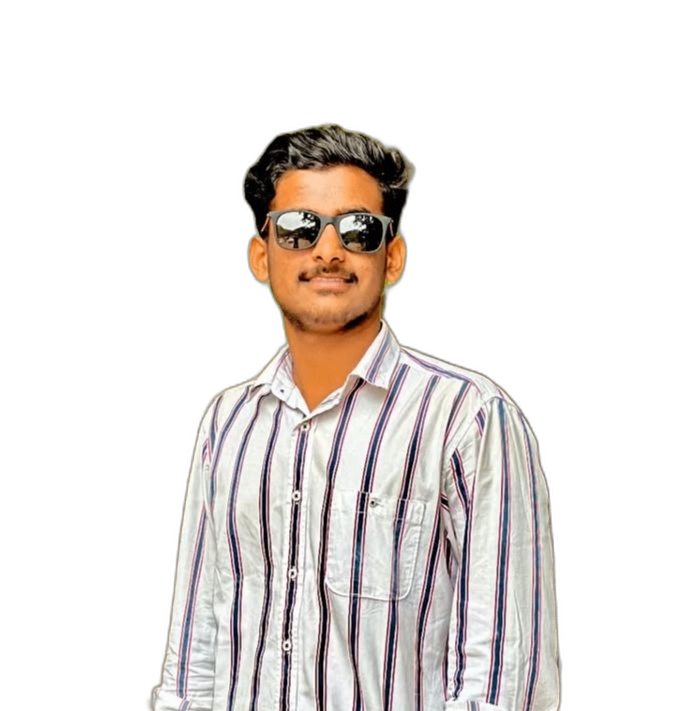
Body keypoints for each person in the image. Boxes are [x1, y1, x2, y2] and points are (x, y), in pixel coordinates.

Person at [151, 124, 560, 711]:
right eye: (299, 228)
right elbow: (195, 657)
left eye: (358, 229)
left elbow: (504, 678)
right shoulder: (228, 423)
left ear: (392, 257)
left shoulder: (468, 418)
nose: (328, 250)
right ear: (261, 256)